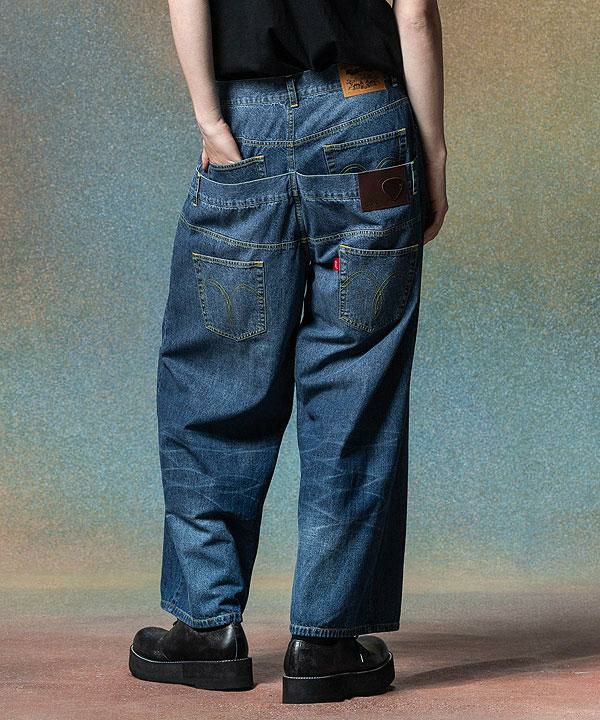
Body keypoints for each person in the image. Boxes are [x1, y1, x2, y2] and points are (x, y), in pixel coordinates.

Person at [128, 0, 448, 704]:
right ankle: (326, 644)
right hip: (366, 119)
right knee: (356, 390)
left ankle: (207, 627)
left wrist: (210, 120)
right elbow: (415, 13)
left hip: (247, 120)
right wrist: (433, 153)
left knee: (215, 382)